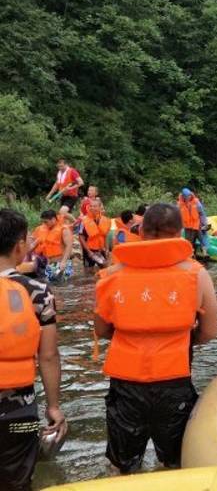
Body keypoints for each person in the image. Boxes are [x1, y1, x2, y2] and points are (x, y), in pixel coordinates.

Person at [94, 203, 217, 474]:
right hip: (174, 381)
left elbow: (101, 330)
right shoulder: (196, 274)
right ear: (180, 232)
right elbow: (210, 331)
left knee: (122, 467)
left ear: (141, 231)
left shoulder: (113, 274)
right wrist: (183, 338)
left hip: (126, 386)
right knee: (175, 464)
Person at [0, 208, 67, 490]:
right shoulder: (38, 292)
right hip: (19, 412)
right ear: (20, 247)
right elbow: (48, 356)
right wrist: (54, 406)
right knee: (17, 482)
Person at [32, 209, 74, 280]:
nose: (44, 224)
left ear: (53, 219)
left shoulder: (64, 229)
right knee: (51, 284)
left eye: (46, 222)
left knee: (65, 284)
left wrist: (63, 262)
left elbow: (69, 246)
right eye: (43, 222)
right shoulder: (45, 230)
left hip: (62, 263)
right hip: (50, 264)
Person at [79, 198, 111, 270]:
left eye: (95, 206)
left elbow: (105, 236)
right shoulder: (83, 221)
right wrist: (89, 252)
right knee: (88, 270)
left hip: (102, 249)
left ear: (100, 207)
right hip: (89, 249)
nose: (92, 208)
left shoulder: (106, 220)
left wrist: (107, 249)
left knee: (105, 268)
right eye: (91, 206)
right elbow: (81, 237)